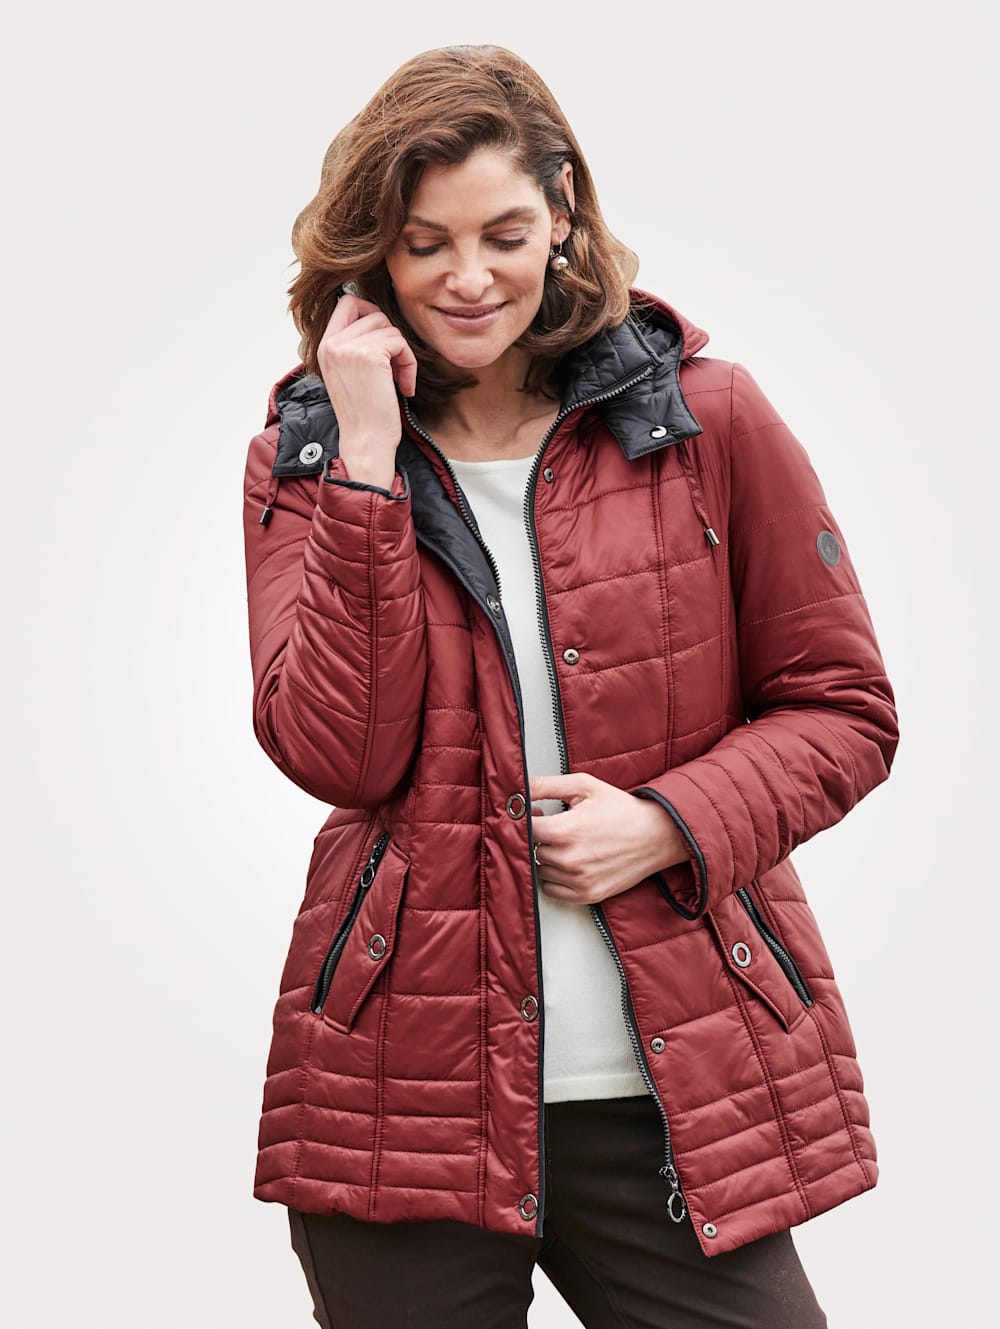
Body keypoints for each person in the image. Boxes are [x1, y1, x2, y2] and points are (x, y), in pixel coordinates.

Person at [241, 44, 899, 1329]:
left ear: (561, 216)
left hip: (668, 1089)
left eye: (502, 233)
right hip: (402, 1097)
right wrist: (365, 459)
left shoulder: (705, 418)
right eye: (425, 244)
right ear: (375, 256)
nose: (467, 276)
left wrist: (667, 823)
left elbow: (843, 707)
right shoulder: (305, 459)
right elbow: (339, 755)